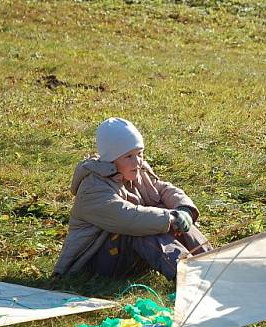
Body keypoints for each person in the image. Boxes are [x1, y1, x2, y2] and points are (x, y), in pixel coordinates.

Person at [54, 117, 210, 280]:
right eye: (128, 156)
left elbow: (162, 189)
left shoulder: (136, 171)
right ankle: (190, 277)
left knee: (172, 215)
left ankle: (211, 263)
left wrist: (183, 209)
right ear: (111, 160)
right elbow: (127, 218)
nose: (137, 161)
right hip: (91, 266)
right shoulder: (93, 189)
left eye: (139, 153)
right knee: (145, 225)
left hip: (123, 258)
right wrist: (169, 218)